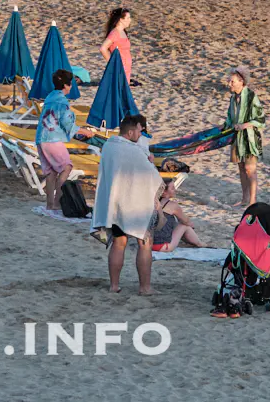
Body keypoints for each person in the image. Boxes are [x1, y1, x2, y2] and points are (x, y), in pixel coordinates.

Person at [92, 113, 164, 294]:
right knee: (144, 243)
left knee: (118, 243)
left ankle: (114, 286)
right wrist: (151, 163)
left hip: (115, 204)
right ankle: (145, 288)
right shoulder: (133, 151)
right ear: (131, 132)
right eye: (139, 131)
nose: (141, 135)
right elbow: (152, 177)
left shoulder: (109, 145)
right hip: (134, 205)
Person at [36, 69, 82, 216]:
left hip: (41, 137)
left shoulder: (50, 97)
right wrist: (85, 132)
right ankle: (57, 201)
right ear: (67, 86)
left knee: (51, 172)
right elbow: (67, 123)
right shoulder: (62, 101)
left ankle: (50, 204)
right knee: (66, 167)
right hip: (52, 139)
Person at [226, 67, 265, 207]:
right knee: (241, 168)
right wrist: (227, 126)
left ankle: (253, 201)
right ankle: (244, 199)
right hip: (237, 138)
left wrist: (244, 125)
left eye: (232, 81)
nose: (229, 84)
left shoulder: (251, 97)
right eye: (229, 81)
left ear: (241, 81)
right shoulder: (233, 98)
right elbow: (230, 117)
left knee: (250, 168)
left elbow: (260, 119)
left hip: (250, 138)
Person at [150, 178, 204, 252]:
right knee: (184, 225)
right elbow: (186, 221)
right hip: (162, 247)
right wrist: (191, 226)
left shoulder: (151, 202)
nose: (175, 190)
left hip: (147, 245)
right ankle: (200, 244)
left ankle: (194, 242)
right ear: (163, 192)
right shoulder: (172, 206)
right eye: (172, 188)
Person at [101, 7, 136, 86]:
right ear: (121, 19)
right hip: (119, 69)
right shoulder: (115, 33)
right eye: (128, 18)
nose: (130, 20)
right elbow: (103, 48)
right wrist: (113, 64)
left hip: (126, 69)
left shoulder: (123, 32)